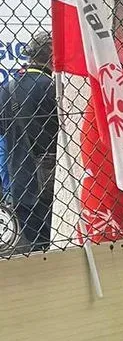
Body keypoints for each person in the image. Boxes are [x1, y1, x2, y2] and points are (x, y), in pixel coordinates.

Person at [0, 32, 58, 252]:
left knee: (34, 249)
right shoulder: (51, 87)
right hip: (50, 182)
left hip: (20, 182)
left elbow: (3, 133)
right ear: (52, 53)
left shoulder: (7, 88)